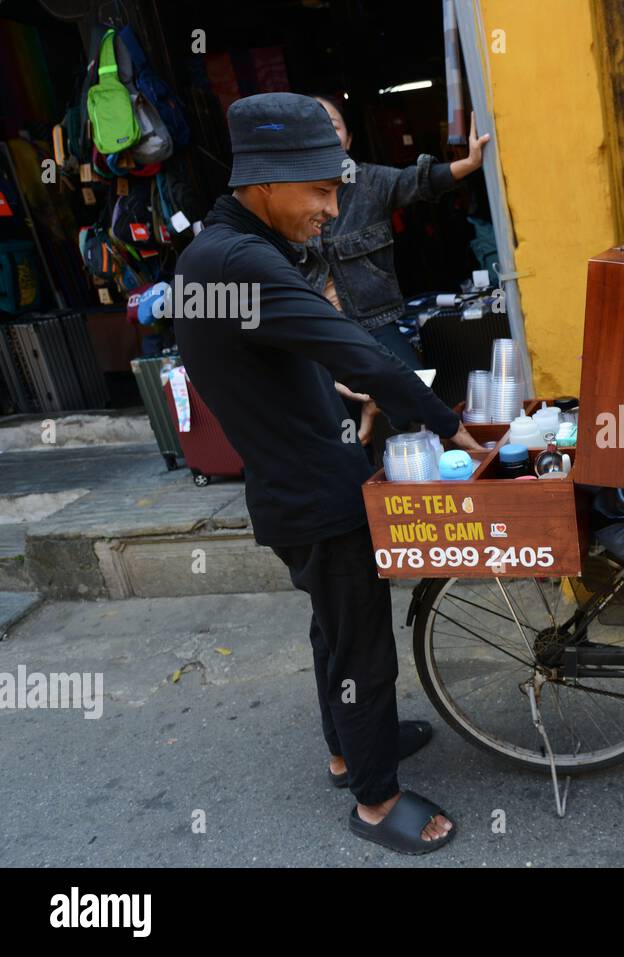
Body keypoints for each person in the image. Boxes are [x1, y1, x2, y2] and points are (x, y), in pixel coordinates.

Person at [174, 92, 475, 853]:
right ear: (268, 183)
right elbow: (361, 350)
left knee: (333, 636)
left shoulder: (215, 253)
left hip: (291, 482)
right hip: (317, 495)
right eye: (321, 189)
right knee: (362, 646)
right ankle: (376, 801)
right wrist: (452, 427)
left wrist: (329, 391)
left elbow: (256, 361)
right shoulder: (241, 260)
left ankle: (348, 749)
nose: (333, 207)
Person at [303, 94, 490, 451]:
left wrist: (469, 163)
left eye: (333, 125)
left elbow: (419, 182)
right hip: (321, 328)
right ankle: (360, 475)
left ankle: (420, 468)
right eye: (313, 128)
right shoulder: (290, 196)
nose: (325, 134)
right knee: (331, 415)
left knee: (414, 390)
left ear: (349, 139)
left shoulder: (371, 183)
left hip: (375, 320)